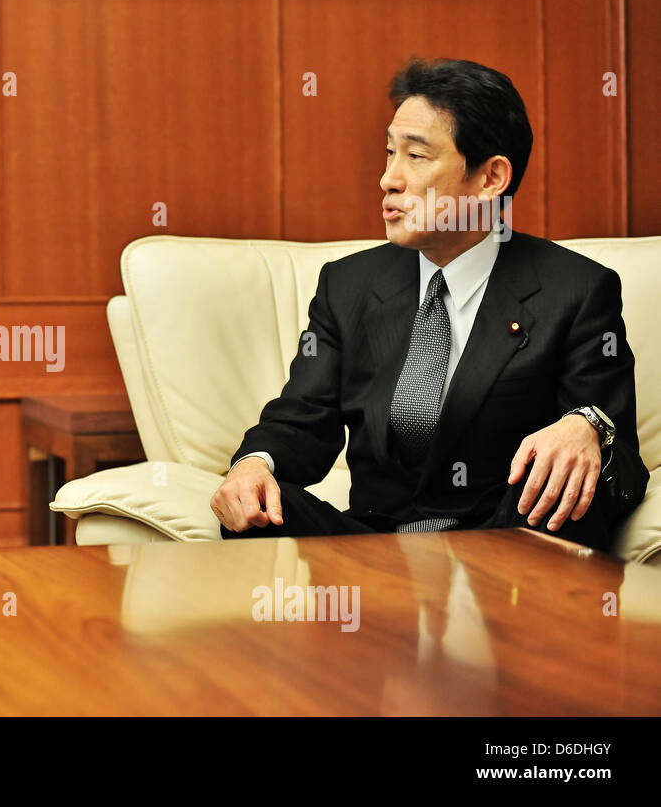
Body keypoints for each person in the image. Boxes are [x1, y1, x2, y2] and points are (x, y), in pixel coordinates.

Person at [211, 58, 649, 553]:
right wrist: (252, 465)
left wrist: (586, 426)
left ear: (490, 178)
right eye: (389, 153)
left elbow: (618, 449)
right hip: (374, 547)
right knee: (256, 512)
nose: (388, 179)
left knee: (567, 486)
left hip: (507, 547)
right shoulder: (348, 285)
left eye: (416, 157)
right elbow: (300, 422)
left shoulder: (576, 289)